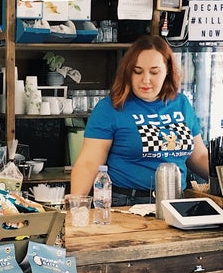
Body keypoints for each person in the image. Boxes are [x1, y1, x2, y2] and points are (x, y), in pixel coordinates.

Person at [70, 35, 209, 206]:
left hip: (177, 200)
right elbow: (89, 162)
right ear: (128, 72)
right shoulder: (110, 108)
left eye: (154, 72)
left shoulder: (181, 103)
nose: (145, 80)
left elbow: (199, 156)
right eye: (137, 71)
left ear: (167, 70)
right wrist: (76, 205)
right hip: (128, 202)